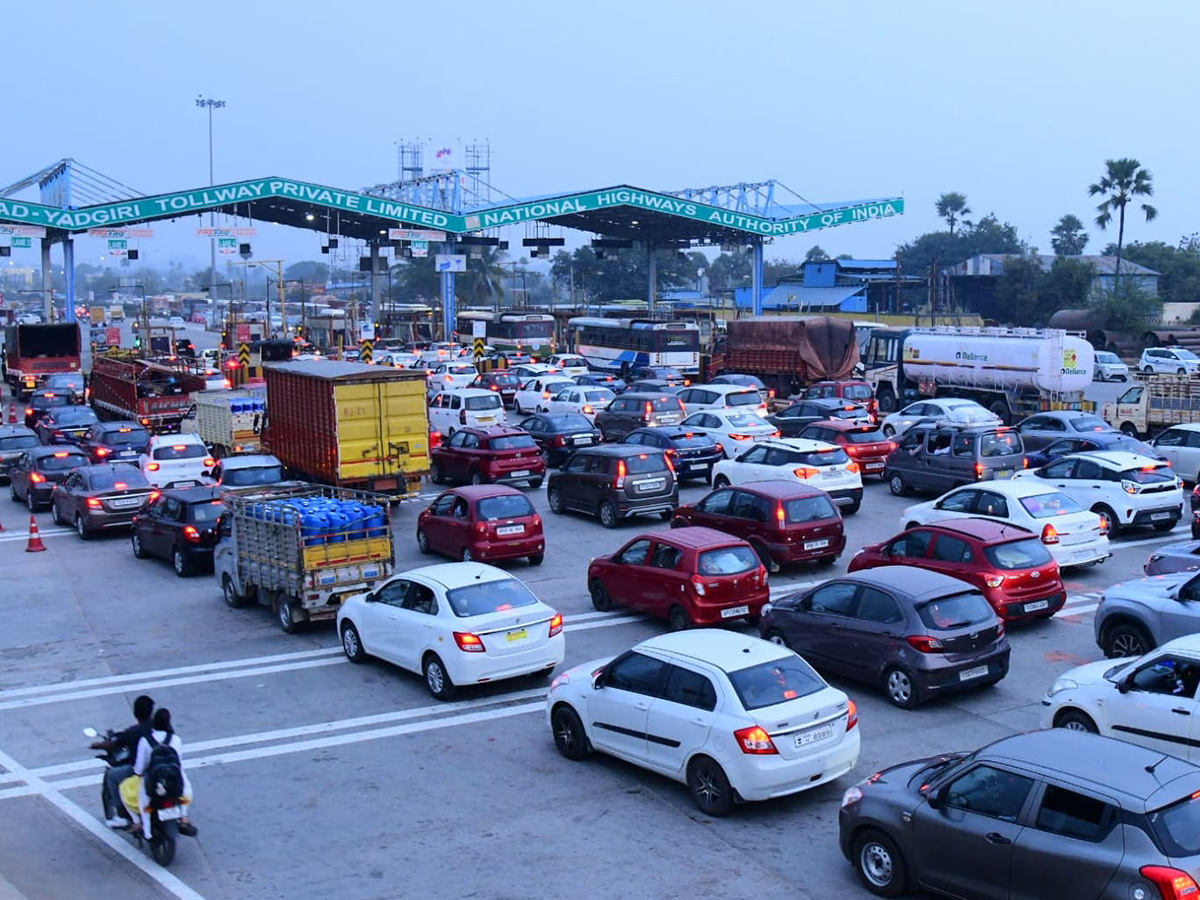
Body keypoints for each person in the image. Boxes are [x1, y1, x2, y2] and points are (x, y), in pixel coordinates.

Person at [90, 694, 154, 828]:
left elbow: (114, 744)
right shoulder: (160, 728)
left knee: (112, 775)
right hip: (159, 768)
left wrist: (98, 745)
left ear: (135, 712)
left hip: (140, 770)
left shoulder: (133, 732)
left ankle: (121, 815)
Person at [132, 708, 196, 838]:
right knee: (187, 793)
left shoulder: (145, 740)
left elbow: (139, 769)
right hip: (175, 780)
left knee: (144, 803)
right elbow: (179, 763)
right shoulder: (176, 739)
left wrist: (139, 773)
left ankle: (147, 831)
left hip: (154, 781)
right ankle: (184, 816)